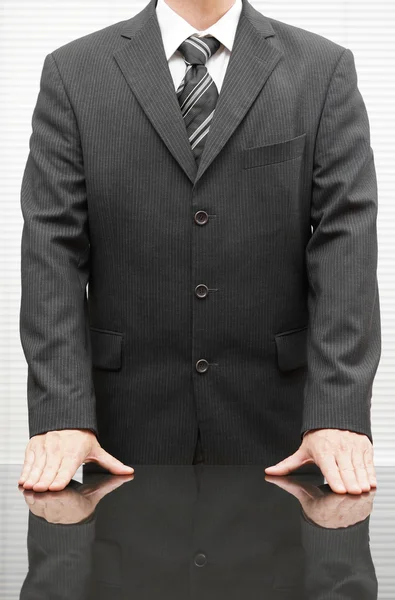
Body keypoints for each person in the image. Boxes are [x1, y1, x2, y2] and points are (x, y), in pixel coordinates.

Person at [18, 0, 381, 494]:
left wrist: (339, 412)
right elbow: (52, 249)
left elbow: (346, 244)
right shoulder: (75, 72)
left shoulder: (322, 71)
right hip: (121, 436)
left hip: (284, 436)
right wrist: (60, 412)